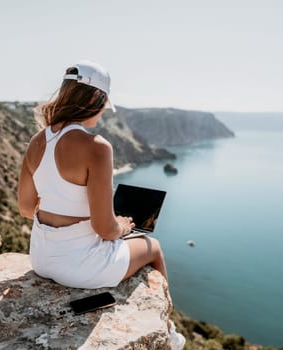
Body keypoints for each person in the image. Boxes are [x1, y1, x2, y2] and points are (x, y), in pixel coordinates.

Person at [17, 60, 185, 349]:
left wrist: (61, 204)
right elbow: (104, 230)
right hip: (81, 268)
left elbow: (25, 207)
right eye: (105, 101)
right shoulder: (96, 147)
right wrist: (119, 225)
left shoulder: (37, 141)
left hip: (41, 259)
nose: (105, 109)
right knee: (153, 247)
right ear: (96, 98)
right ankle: (168, 331)